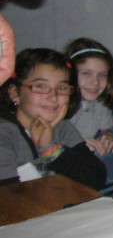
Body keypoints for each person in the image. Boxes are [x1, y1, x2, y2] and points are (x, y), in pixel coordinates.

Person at [0, 48, 106, 190]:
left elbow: (97, 178)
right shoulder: (4, 133)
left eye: (62, 88)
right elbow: (8, 198)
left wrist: (50, 149)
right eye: (41, 86)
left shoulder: (62, 127)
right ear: (14, 93)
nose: (53, 96)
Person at [64, 38, 113, 185]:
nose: (95, 82)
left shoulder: (100, 104)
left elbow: (107, 128)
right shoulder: (60, 105)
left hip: (95, 158)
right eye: (87, 74)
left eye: (102, 75)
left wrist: (108, 135)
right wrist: (77, 145)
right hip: (69, 165)